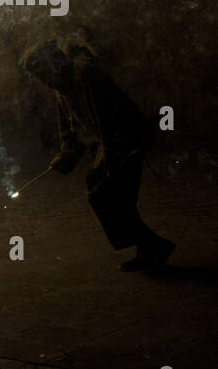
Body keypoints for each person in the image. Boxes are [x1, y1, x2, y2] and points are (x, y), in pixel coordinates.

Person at [20, 40, 174, 271]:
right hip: (111, 142)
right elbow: (70, 129)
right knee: (106, 192)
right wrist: (66, 157)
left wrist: (109, 158)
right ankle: (149, 246)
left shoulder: (84, 75)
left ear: (50, 64)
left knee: (106, 193)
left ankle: (151, 246)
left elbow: (109, 118)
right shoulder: (61, 88)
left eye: (40, 72)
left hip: (128, 137)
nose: (41, 80)